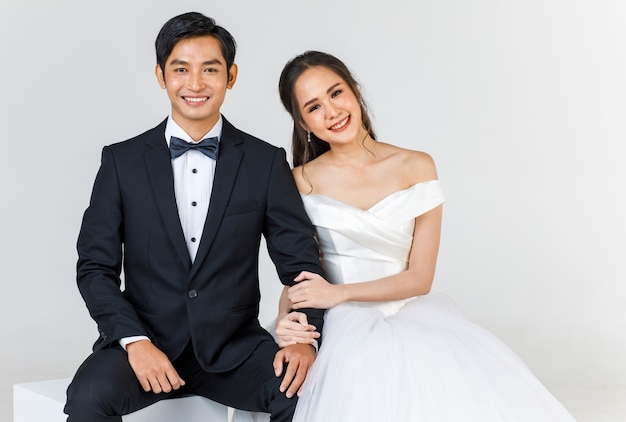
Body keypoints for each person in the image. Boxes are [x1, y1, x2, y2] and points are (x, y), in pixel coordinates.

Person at [234, 51, 576, 421]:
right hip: (336, 328)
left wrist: (340, 293)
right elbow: (300, 275)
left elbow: (420, 278)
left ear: (355, 92)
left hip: (406, 316)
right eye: (314, 107)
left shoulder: (417, 165)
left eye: (336, 93)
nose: (332, 112)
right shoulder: (300, 181)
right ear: (303, 122)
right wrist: (288, 320)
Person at [63, 13, 327, 422]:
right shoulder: (121, 162)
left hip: (234, 349)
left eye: (211, 69)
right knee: (88, 397)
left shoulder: (264, 162)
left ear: (231, 75)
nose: (196, 84)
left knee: (302, 392)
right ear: (160, 75)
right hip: (146, 343)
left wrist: (304, 339)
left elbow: (300, 264)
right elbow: (95, 269)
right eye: (181, 69)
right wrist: (134, 341)